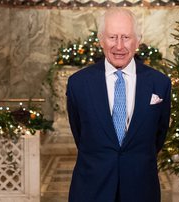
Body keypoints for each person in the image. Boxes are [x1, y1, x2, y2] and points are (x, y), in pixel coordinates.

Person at [66, 7, 171, 202]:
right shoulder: (78, 84)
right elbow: (80, 133)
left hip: (141, 189)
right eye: (113, 37)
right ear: (101, 40)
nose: (119, 46)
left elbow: (159, 136)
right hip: (91, 189)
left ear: (138, 40)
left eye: (126, 37)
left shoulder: (160, 83)